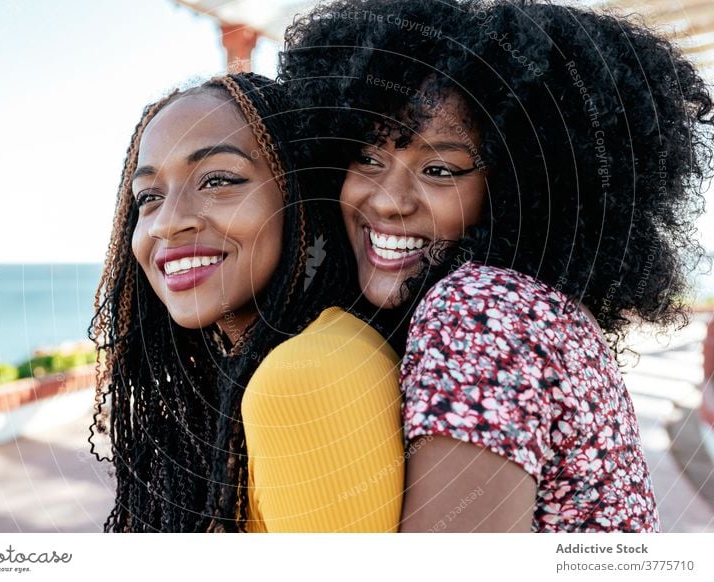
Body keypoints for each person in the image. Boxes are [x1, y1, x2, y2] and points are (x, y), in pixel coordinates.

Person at [279, 0, 714, 531]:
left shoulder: (484, 311)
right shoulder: (537, 312)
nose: (388, 200)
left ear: (521, 189)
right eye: (368, 157)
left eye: (440, 170)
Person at [87, 73, 404, 532]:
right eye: (149, 197)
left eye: (218, 180)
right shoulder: (320, 347)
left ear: (299, 197)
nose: (167, 223)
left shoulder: (305, 375)